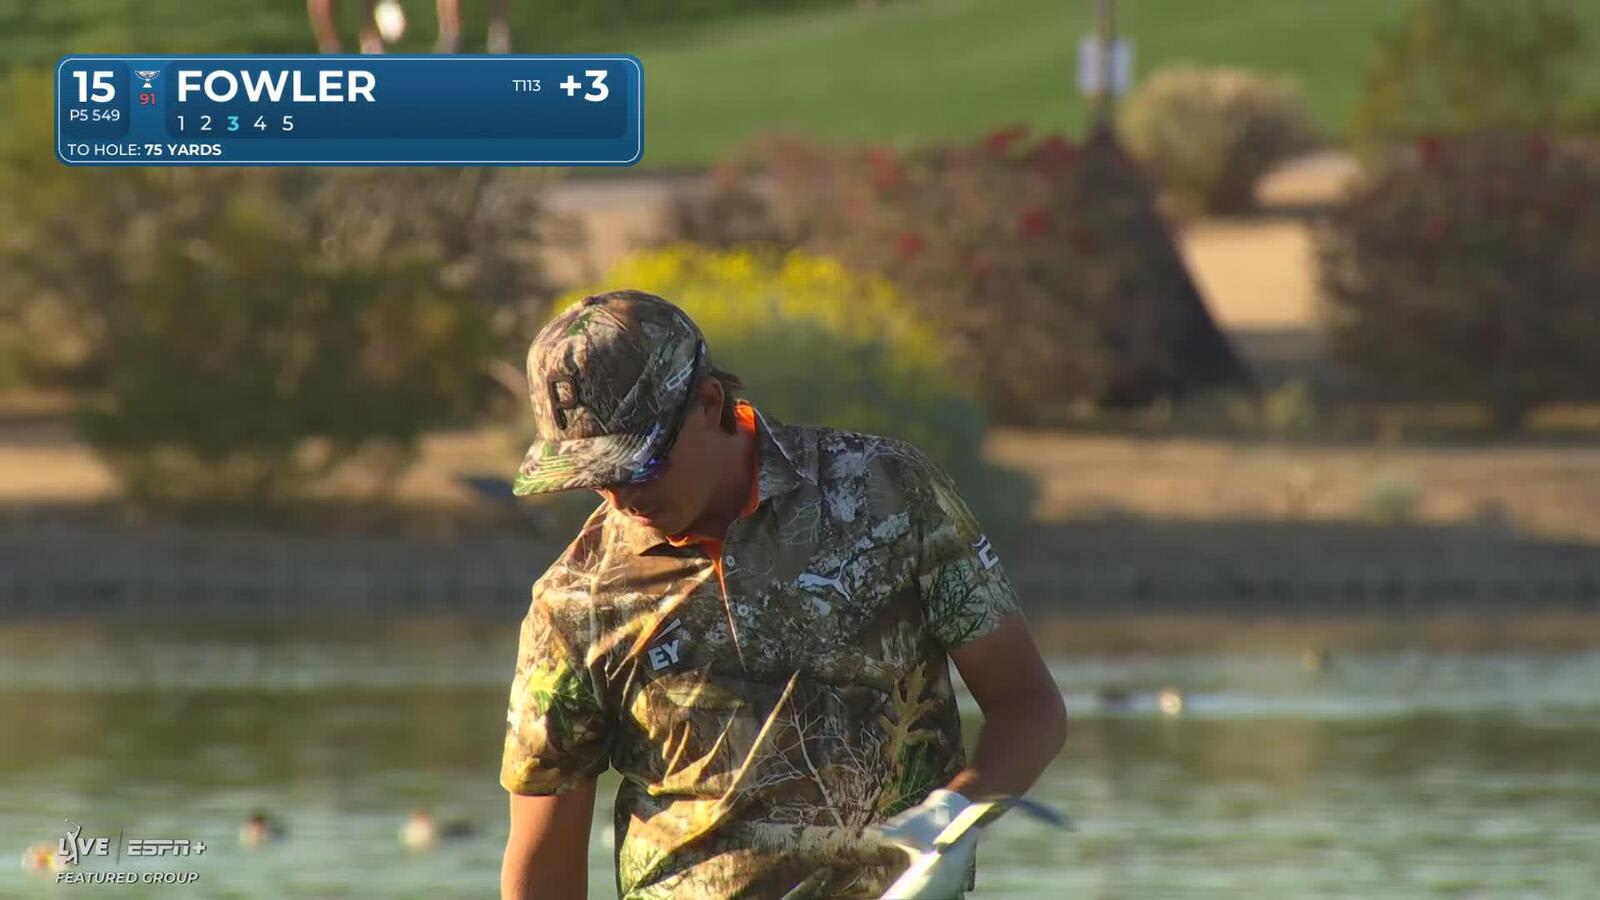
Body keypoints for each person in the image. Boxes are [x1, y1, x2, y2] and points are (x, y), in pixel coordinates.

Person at [499, 290, 1068, 899]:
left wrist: (955, 818)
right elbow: (545, 851)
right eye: (593, 478)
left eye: (637, 465)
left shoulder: (889, 494)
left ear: (709, 403)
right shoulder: (574, 601)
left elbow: (1029, 707)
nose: (618, 497)